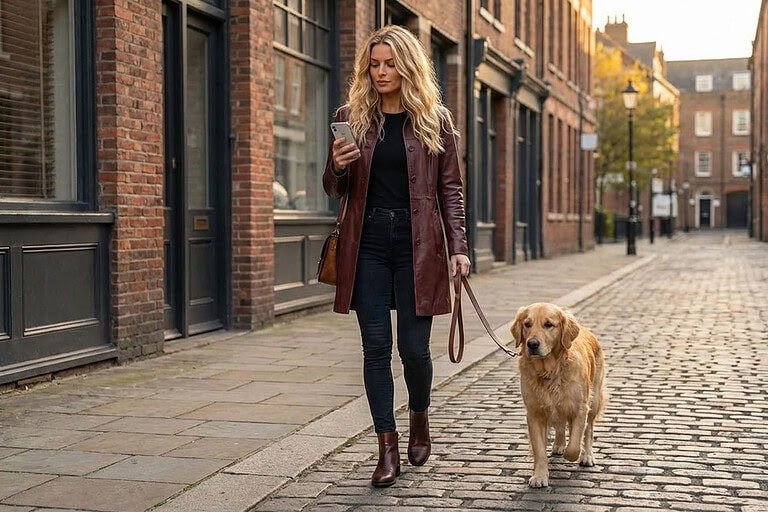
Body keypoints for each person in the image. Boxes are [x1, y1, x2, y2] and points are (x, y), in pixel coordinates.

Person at [322, 25, 470, 487]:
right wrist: (337, 164)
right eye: (375, 63)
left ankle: (420, 417)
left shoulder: (435, 119)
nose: (381, 72)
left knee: (413, 349)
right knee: (375, 348)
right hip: (366, 245)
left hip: (418, 246)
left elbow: (451, 190)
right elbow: (334, 188)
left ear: (408, 67)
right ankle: (386, 447)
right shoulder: (353, 116)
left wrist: (459, 249)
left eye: (390, 64)